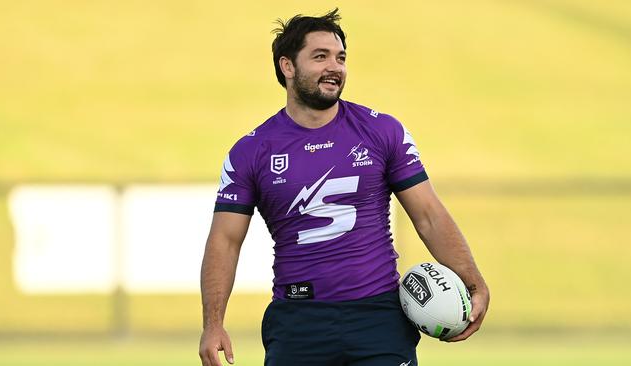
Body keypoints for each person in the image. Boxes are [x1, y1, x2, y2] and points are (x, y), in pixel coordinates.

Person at [199, 8, 489, 366]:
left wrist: (472, 281)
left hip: (378, 317)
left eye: (340, 58)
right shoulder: (251, 151)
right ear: (287, 66)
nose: (334, 67)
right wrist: (213, 324)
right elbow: (225, 240)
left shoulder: (382, 131)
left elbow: (429, 215)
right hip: (298, 320)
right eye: (320, 57)